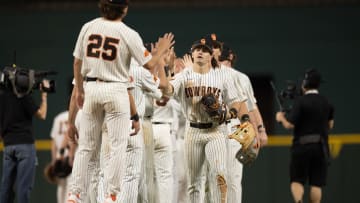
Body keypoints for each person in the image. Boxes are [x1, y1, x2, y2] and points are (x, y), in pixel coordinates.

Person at [67, 0, 174, 202]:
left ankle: (74, 193)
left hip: (91, 86)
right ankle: (112, 195)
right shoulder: (128, 33)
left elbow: (77, 61)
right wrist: (161, 50)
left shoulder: (88, 26)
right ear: (124, 9)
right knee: (117, 146)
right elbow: (150, 64)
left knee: (87, 146)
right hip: (116, 89)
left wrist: (81, 90)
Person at [162, 38, 254, 203]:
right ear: (192, 52)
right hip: (193, 131)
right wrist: (167, 69)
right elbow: (168, 89)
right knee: (194, 182)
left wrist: (231, 113)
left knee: (220, 175)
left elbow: (237, 100)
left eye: (204, 50)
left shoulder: (222, 75)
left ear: (211, 55)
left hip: (216, 131)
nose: (200, 52)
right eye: (197, 49)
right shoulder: (184, 75)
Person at [276, 69, 334, 203]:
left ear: (304, 83)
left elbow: (289, 125)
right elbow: (330, 125)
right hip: (320, 146)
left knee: (297, 180)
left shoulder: (301, 102)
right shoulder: (326, 102)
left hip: (301, 146)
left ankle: (299, 201)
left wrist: (281, 118)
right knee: (316, 183)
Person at [0, 79, 49, 203]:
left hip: (8, 146)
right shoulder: (23, 96)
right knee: (23, 188)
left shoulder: (2, 98)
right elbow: (42, 114)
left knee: (6, 188)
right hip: (25, 146)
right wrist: (44, 95)